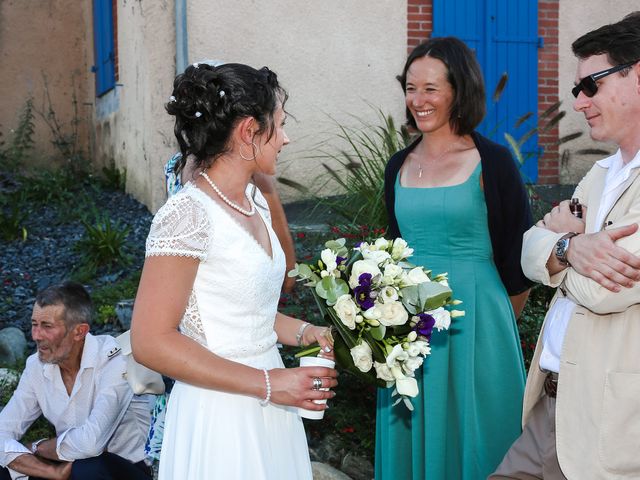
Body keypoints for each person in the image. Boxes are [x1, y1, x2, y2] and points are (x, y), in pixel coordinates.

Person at [130, 62, 338, 479]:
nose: (285, 138)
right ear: (248, 132)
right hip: (221, 412)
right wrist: (267, 383)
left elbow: (239, 309)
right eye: (277, 126)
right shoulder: (187, 215)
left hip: (272, 403)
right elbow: (150, 341)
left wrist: (303, 333)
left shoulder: (254, 201)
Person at [491, 12, 640, 480]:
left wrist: (559, 242)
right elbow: (527, 248)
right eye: (576, 89)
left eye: (589, 85)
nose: (578, 102)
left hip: (606, 425)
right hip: (549, 409)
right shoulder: (601, 174)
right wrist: (571, 248)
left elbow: (607, 290)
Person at [377, 37, 533, 479]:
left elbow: (517, 262)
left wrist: (491, 331)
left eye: (431, 88)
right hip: (406, 328)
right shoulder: (397, 166)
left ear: (458, 90)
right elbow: (393, 249)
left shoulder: (494, 162)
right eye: (411, 87)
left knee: (480, 440)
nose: (418, 100)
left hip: (477, 326)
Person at [0, 281, 152, 480]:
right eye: (34, 324)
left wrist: (37, 447)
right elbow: (3, 431)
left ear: (79, 331)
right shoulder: (36, 366)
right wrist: (51, 471)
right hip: (69, 466)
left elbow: (91, 443)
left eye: (47, 326)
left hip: (128, 469)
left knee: (88, 467)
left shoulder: (115, 359)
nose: (36, 335)